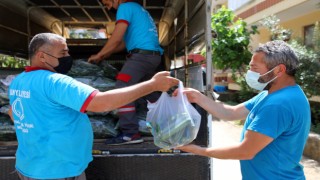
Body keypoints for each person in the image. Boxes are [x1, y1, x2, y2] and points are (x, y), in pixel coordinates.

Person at [8, 33, 178, 180]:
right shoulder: (55, 81)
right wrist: (152, 85)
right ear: (42, 56)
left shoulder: (18, 81)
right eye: (63, 53)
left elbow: (13, 112)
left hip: (30, 166)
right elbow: (100, 103)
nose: (68, 57)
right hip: (58, 171)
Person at [175, 40, 311, 179]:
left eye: (255, 68)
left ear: (279, 70)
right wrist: (197, 97)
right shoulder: (273, 95)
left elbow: (245, 151)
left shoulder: (278, 104)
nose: (250, 73)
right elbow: (231, 113)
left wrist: (199, 150)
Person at [88, 0, 164, 145]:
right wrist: (106, 54)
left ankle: (130, 133)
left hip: (141, 57)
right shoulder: (137, 9)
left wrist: (99, 55)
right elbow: (123, 44)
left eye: (107, 3)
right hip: (151, 56)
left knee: (122, 88)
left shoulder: (124, 7)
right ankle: (168, 124)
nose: (107, 6)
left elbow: (116, 38)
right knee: (151, 90)